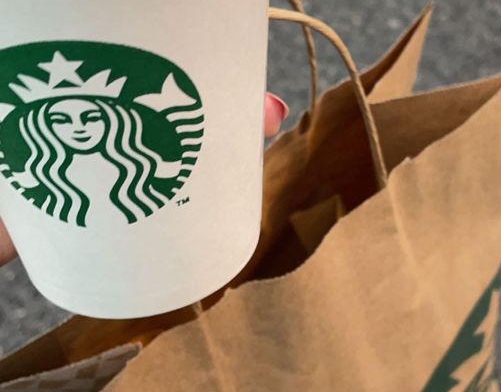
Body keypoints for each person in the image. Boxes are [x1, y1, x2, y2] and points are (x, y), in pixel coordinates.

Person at [0, 92, 288, 266]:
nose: (78, 129)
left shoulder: (147, 166)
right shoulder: (38, 173)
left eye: (91, 117)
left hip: (191, 248)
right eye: (60, 120)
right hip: (83, 268)